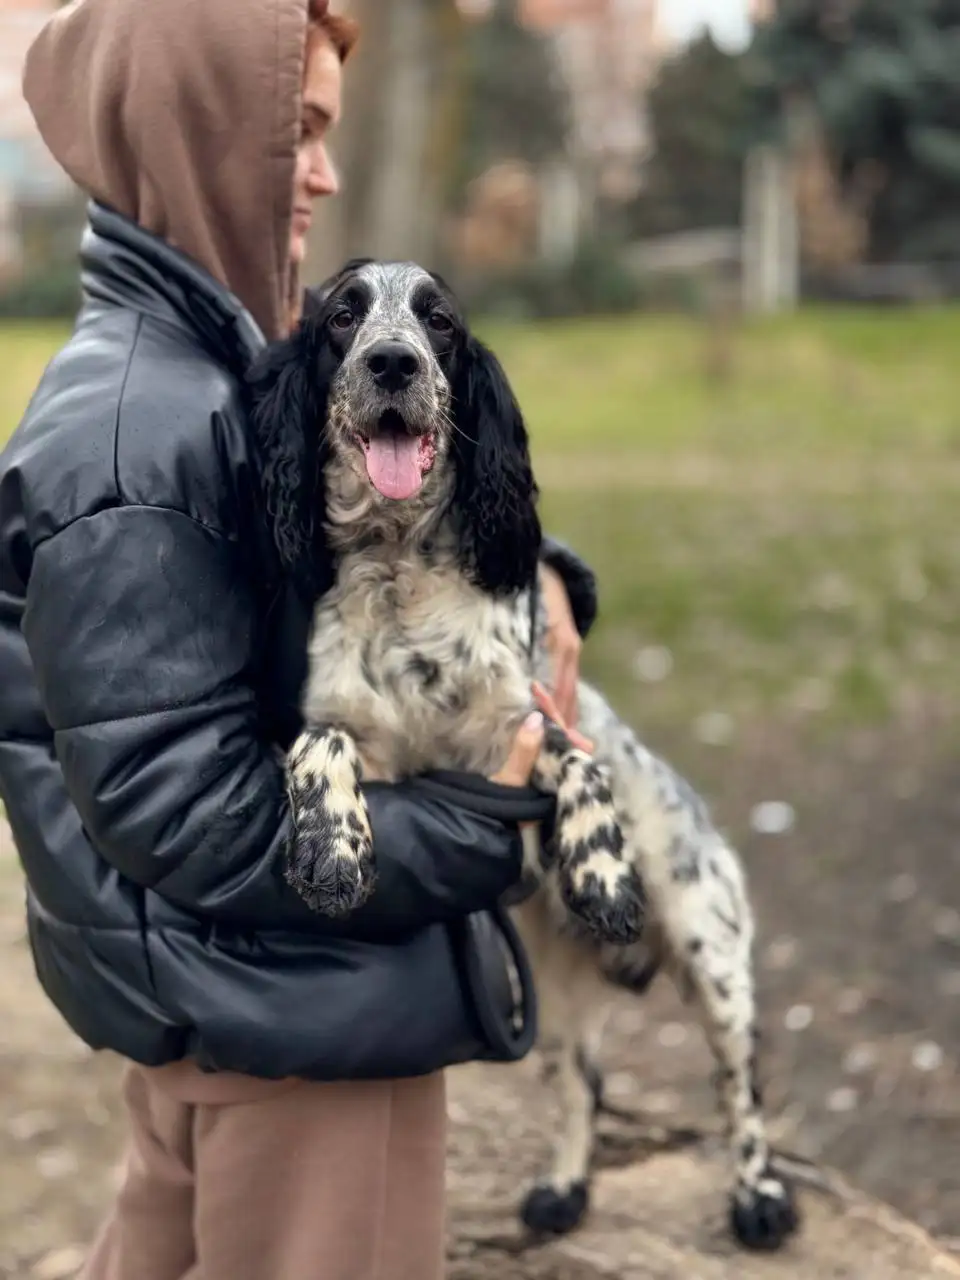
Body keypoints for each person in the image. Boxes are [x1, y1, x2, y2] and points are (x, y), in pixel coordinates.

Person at [0, 2, 600, 1278]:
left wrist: (531, 571)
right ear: (204, 131)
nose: (324, 174)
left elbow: (336, 530)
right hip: (297, 1031)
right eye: (303, 133)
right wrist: (484, 816)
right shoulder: (138, 425)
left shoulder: (213, 360)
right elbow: (183, 809)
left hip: (239, 1007)